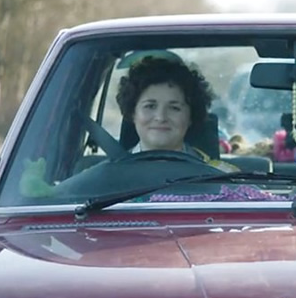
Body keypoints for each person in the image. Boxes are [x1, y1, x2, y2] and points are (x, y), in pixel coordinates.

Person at [20, 56, 235, 197]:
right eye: (150, 106)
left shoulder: (224, 177)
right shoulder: (94, 180)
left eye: (175, 108)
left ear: (191, 116)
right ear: (132, 113)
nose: (160, 117)